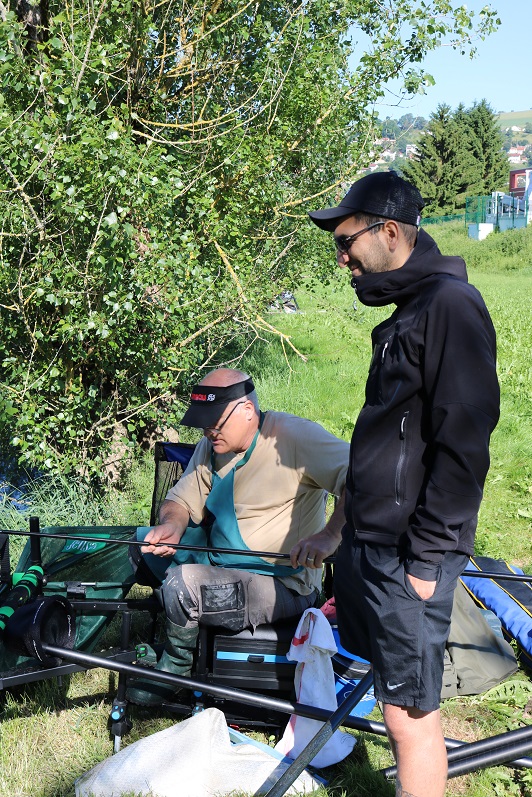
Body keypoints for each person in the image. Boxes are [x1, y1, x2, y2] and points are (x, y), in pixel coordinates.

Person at [292, 171, 500, 797]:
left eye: (346, 241)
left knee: (411, 717)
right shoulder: (410, 310)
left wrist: (428, 558)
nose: (341, 257)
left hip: (410, 553)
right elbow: (382, 443)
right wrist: (339, 530)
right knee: (393, 699)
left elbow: (465, 443)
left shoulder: (450, 307)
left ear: (389, 231)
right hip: (374, 542)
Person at [127, 367, 349, 706]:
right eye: (204, 424)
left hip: (283, 583)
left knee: (182, 585)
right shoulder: (212, 445)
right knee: (134, 547)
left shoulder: (294, 437)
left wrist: (331, 535)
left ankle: (176, 667)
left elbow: (362, 477)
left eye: (215, 423)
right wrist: (172, 525)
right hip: (220, 561)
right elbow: (179, 500)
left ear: (247, 410)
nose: (208, 431)